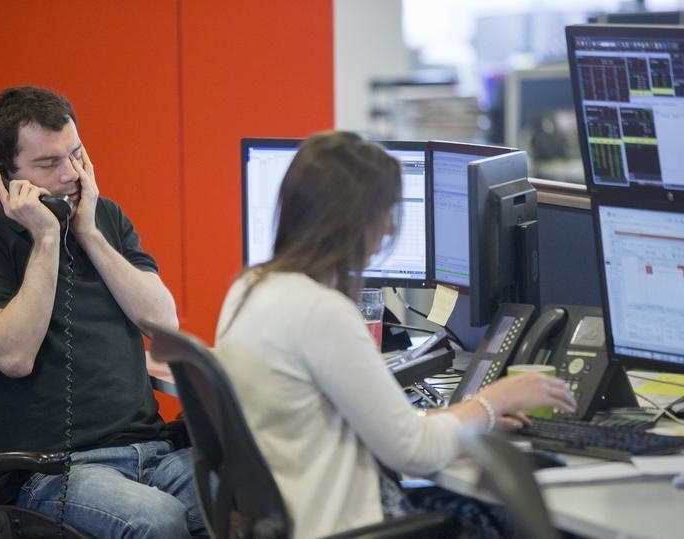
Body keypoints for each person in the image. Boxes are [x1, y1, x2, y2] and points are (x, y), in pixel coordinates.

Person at [213, 131, 577, 538]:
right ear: (356, 220)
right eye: (386, 211)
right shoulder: (320, 312)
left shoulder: (248, 289)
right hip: (340, 526)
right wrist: (495, 400)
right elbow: (415, 452)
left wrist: (460, 415)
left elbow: (357, 422)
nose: (389, 227)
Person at [0, 86, 204, 538]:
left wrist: (90, 234)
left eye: (77, 155)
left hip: (155, 453)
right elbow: (14, 355)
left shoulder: (106, 220)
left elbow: (161, 321)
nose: (71, 174)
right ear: (0, 177)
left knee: (262, 492)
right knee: (158, 521)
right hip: (54, 474)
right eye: (48, 164)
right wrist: (45, 239)